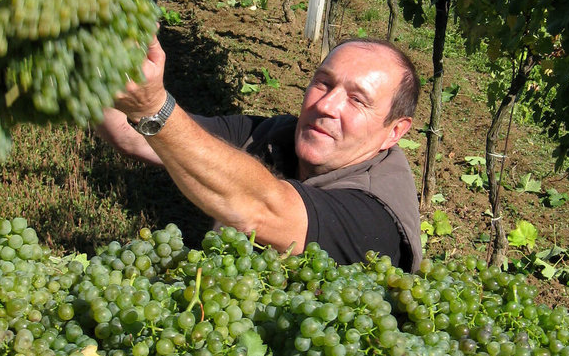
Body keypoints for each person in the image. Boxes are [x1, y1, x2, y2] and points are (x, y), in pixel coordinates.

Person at [97, 36, 423, 270]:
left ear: (394, 131)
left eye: (357, 100)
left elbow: (258, 210)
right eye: (323, 83)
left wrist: (154, 108)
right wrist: (89, 68)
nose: (326, 105)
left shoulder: (376, 214)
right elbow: (137, 136)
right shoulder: (274, 136)